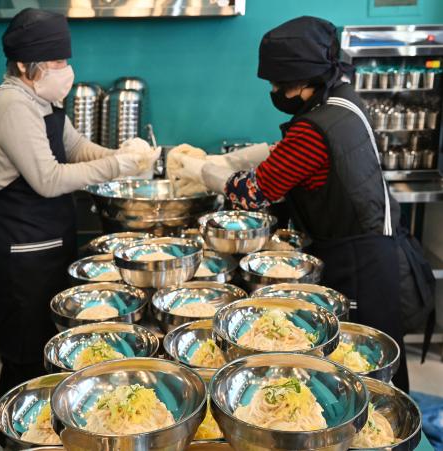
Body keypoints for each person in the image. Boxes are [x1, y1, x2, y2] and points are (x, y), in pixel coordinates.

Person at [174, 16, 435, 392]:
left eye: (278, 84)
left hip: (358, 265)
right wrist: (231, 159)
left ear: (302, 79)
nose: (275, 91)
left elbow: (253, 192)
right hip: (377, 248)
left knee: (362, 372)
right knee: (372, 365)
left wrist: (202, 170)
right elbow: (285, 154)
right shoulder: (343, 100)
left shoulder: (314, 130)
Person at [0, 8, 159, 398]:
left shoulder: (42, 99)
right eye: (57, 62)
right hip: (23, 258)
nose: (65, 70)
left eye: (65, 60)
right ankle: (14, 424)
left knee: (50, 356)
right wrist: (116, 166)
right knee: (26, 362)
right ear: (26, 65)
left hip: (50, 248)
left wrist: (124, 159)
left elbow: (76, 148)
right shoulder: (12, 105)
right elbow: (48, 180)